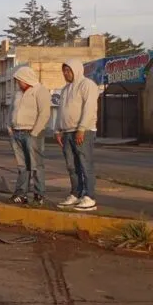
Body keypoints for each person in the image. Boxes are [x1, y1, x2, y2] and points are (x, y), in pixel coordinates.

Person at [55, 59, 100, 211]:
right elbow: (61, 111)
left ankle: (90, 197)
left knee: (85, 164)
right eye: (64, 71)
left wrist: (81, 128)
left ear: (76, 70)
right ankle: (76, 193)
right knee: (71, 165)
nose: (65, 73)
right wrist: (58, 129)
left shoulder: (87, 85)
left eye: (68, 70)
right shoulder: (65, 89)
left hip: (83, 131)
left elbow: (89, 108)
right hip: (67, 132)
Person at [8, 65, 51, 206]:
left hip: (32, 133)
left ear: (25, 78)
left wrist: (35, 132)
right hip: (17, 132)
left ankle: (39, 195)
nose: (17, 83)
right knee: (22, 166)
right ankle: (21, 194)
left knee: (36, 165)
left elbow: (44, 113)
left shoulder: (40, 90)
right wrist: (10, 126)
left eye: (19, 80)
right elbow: (11, 110)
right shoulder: (18, 93)